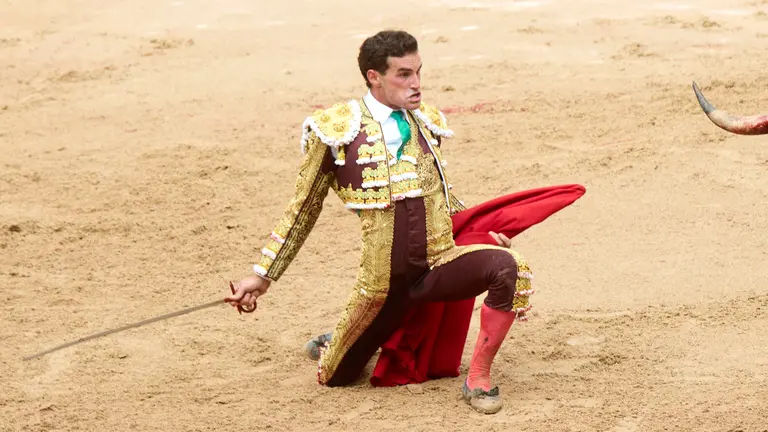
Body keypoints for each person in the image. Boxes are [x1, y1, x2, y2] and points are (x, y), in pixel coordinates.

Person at [226, 29, 535, 415]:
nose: (417, 84)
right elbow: (303, 209)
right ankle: (336, 339)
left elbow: (442, 195)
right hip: (381, 289)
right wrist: (263, 275)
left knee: (510, 268)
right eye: (403, 74)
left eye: (419, 71)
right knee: (338, 377)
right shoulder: (337, 130)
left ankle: (479, 377)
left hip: (438, 264)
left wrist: (480, 230)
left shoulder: (428, 124)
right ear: (374, 76)